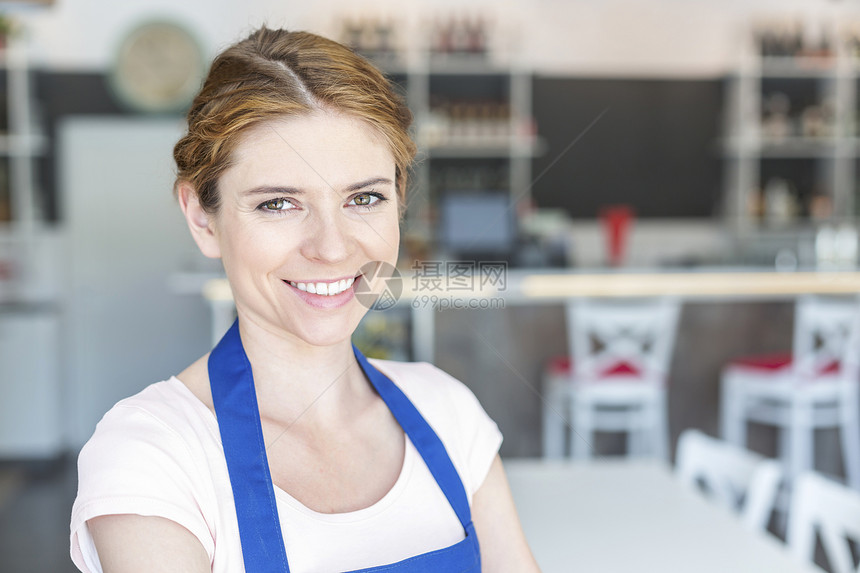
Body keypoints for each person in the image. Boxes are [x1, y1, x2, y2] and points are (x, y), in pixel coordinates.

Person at [70, 26, 540, 573]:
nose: (333, 247)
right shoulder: (155, 455)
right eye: (278, 204)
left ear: (400, 201)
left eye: (364, 198)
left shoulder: (448, 413)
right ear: (203, 217)